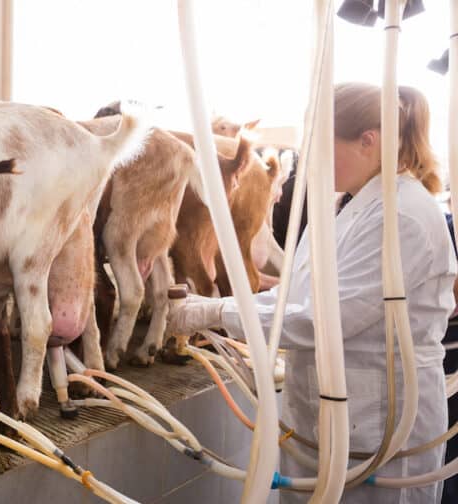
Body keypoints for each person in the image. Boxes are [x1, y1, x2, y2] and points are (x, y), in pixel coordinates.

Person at [167, 83, 457, 503]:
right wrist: (219, 313)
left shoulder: (401, 216)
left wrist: (214, 313)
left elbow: (324, 320)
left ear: (368, 141)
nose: (314, 160)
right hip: (330, 421)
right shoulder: (349, 207)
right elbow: (297, 297)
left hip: (378, 429)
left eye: (324, 145)